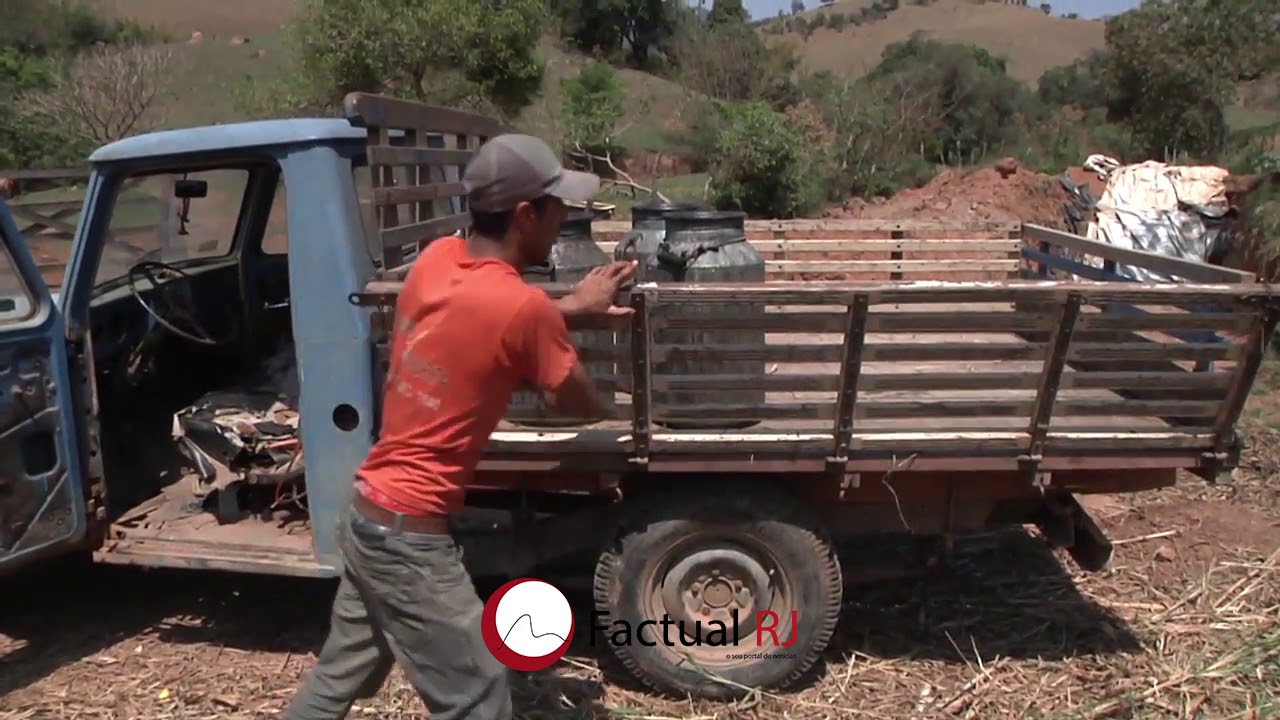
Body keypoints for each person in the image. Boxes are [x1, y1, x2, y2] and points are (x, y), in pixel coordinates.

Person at [283, 133, 637, 720]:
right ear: (526, 214)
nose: (565, 218)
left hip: (369, 514)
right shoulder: (522, 311)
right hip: (410, 541)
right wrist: (566, 336)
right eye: (558, 207)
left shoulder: (436, 259)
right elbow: (578, 403)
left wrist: (566, 308)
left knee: (334, 682)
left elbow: (480, 320)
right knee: (480, 694)